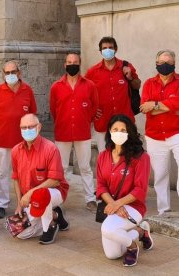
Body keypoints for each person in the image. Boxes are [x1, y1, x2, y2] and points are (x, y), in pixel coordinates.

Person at [97, 114, 153, 267]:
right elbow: (101, 186)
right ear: (109, 131)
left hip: (133, 206)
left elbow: (140, 189)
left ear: (130, 133)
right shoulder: (103, 156)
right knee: (112, 255)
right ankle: (140, 233)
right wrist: (115, 204)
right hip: (113, 204)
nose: (119, 133)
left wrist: (118, 204)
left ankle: (132, 247)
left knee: (107, 229)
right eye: (115, 129)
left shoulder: (141, 157)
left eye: (123, 130)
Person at [0, 60, 37, 219]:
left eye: (13, 72)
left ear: (19, 73)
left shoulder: (27, 90)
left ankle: (24, 202)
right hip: (2, 140)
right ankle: (2, 203)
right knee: (2, 173)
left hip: (24, 141)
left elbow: (32, 115)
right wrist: (3, 126)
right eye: (7, 73)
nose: (10, 75)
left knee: (25, 173)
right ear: (2, 74)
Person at [50, 52, 98, 212]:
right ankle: (58, 198)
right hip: (62, 132)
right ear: (65, 65)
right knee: (60, 168)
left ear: (80, 64)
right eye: (69, 62)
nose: (72, 64)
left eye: (75, 62)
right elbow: (53, 110)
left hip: (82, 132)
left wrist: (83, 121)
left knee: (85, 167)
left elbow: (94, 108)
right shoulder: (56, 87)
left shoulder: (89, 85)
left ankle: (90, 199)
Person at [11, 114, 69, 244]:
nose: (27, 130)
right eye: (23, 127)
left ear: (39, 127)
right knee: (20, 232)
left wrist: (30, 193)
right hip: (30, 198)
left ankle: (50, 226)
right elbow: (16, 178)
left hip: (54, 192)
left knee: (40, 194)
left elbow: (55, 180)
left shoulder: (50, 149)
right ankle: (56, 215)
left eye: (30, 126)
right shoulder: (16, 150)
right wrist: (20, 203)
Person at [140, 50, 179, 215]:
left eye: (169, 62)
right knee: (160, 175)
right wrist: (170, 108)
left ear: (174, 63)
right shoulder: (149, 83)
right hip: (154, 136)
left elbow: (152, 107)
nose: (166, 65)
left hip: (177, 133)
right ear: (156, 64)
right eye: (162, 62)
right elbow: (144, 108)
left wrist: (154, 105)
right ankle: (164, 210)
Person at [85, 36, 141, 152]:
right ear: (100, 51)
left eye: (110, 47)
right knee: (105, 155)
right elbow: (84, 93)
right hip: (103, 121)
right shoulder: (92, 72)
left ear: (116, 49)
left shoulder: (126, 66)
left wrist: (130, 77)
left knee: (127, 156)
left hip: (125, 120)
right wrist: (91, 110)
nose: (107, 50)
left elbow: (137, 85)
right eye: (104, 48)